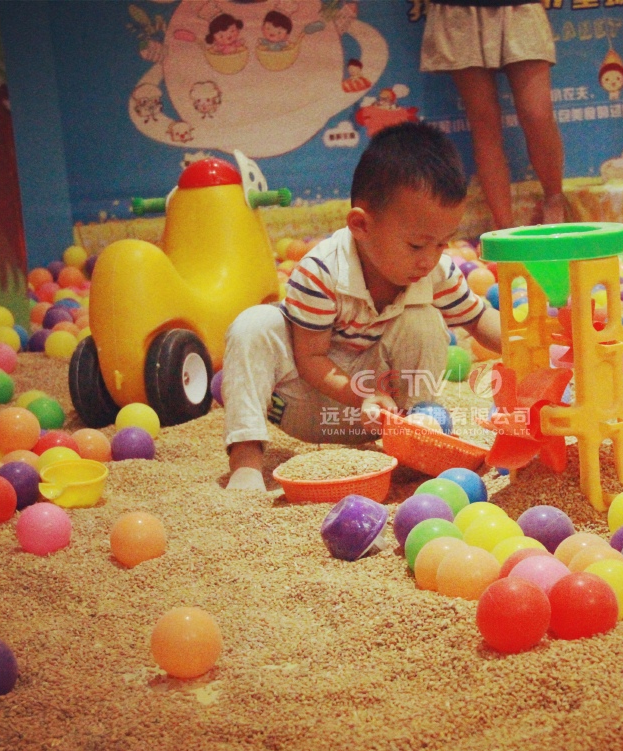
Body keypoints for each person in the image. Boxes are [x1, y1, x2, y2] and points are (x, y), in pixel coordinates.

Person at [221, 122, 502, 491]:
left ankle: (417, 436)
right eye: (417, 245)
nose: (429, 259)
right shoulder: (322, 271)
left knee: (423, 319)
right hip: (305, 402)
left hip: (385, 413)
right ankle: (246, 463)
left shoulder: (435, 272)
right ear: (361, 225)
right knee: (254, 324)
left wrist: (534, 346)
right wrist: (362, 396)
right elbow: (310, 358)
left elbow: (479, 318)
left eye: (442, 243)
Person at [421, 0, 566, 231]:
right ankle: (504, 228)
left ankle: (554, 201)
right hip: (459, 11)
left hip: (520, 8)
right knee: (484, 124)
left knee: (537, 115)